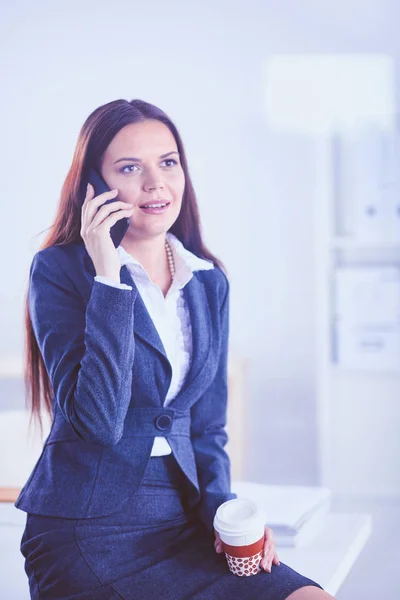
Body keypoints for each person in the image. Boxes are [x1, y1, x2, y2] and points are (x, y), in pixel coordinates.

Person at [15, 98, 334, 600]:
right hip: (88, 526)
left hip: (184, 517)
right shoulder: (60, 272)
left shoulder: (208, 282)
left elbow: (207, 426)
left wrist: (227, 517)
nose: (155, 183)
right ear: (95, 186)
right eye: (128, 168)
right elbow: (97, 422)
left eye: (167, 162)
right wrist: (108, 277)